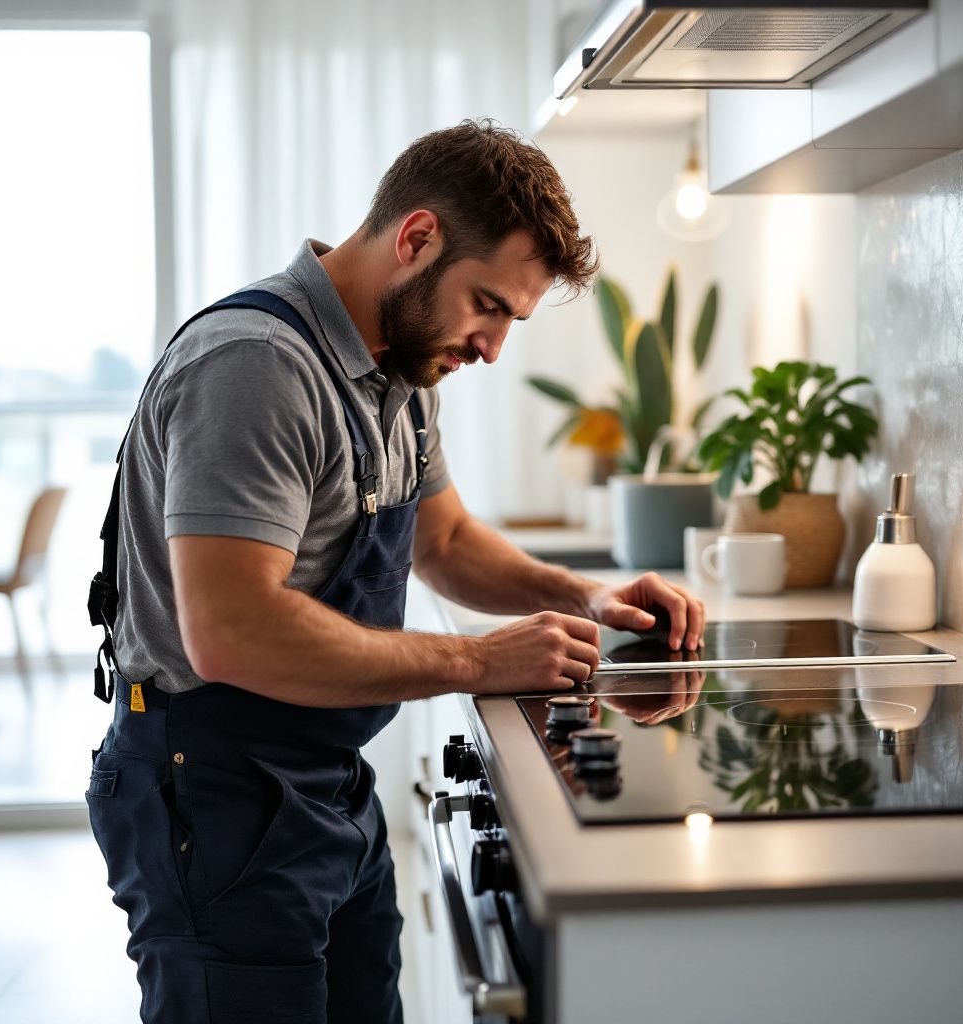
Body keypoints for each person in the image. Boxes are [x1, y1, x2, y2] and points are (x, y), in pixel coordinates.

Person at [85, 119, 704, 1024]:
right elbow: (229, 632)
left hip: (321, 779)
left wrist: (586, 595)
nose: (493, 347)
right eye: (486, 304)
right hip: (208, 792)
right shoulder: (258, 367)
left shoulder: (402, 372)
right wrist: (480, 662)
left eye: (511, 321)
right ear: (415, 238)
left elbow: (445, 542)